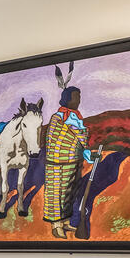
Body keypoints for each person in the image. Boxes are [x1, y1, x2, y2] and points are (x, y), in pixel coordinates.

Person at [44, 86, 98, 239]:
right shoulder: (58, 118)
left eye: (79, 97)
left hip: (73, 164)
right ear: (67, 98)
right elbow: (57, 141)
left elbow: (79, 143)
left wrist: (89, 156)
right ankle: (56, 226)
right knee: (56, 194)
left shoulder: (76, 117)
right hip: (57, 164)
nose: (78, 100)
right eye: (75, 97)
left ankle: (66, 221)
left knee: (69, 194)